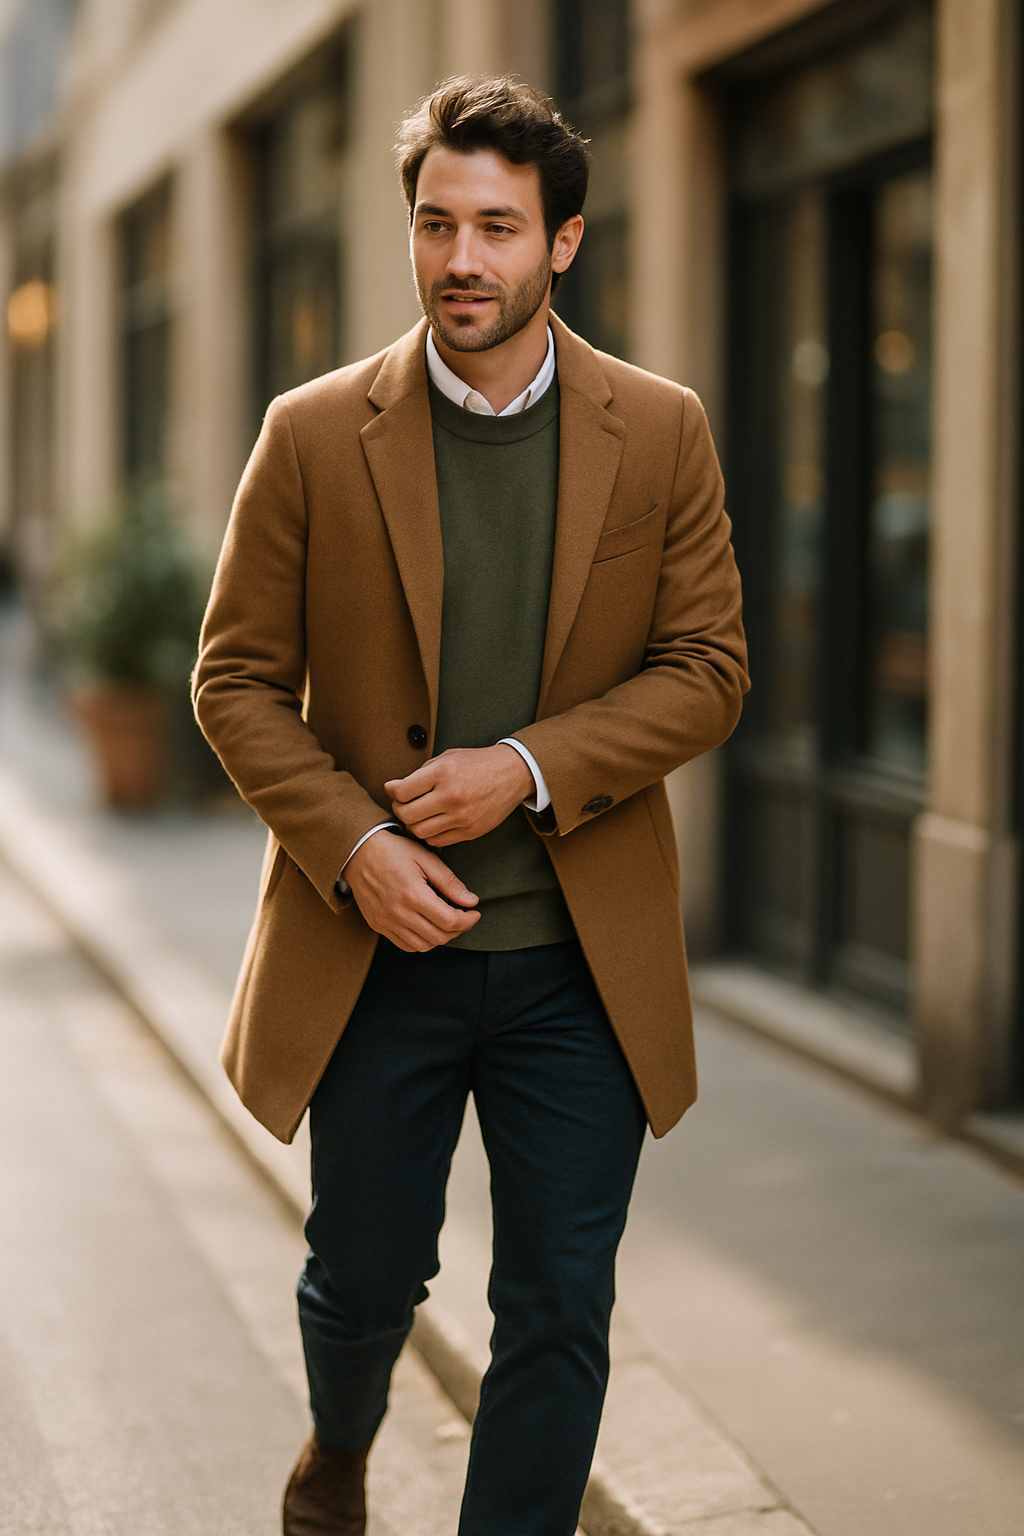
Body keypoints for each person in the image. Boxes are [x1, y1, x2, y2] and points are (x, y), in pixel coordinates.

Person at [193, 75, 748, 1536]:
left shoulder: (663, 428)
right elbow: (234, 681)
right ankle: (340, 1443)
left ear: (563, 241)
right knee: (366, 1273)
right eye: (438, 223)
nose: (460, 260)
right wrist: (357, 847)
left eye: (498, 227)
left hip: (581, 965)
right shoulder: (314, 433)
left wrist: (529, 764)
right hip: (380, 955)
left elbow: (710, 670)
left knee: (560, 1304)